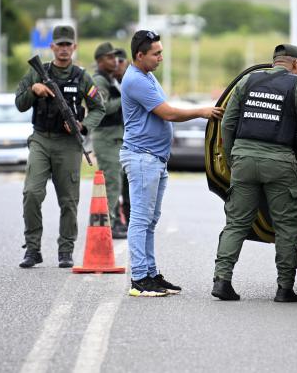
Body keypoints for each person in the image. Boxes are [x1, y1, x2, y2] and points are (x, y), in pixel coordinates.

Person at [212, 44, 297, 303]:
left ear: (274, 62)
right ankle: (284, 288)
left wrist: (232, 158)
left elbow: (228, 122)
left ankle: (221, 280)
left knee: (237, 222)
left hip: (243, 159)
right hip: (280, 161)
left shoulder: (247, 80)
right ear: (295, 64)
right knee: (286, 224)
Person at [120, 29, 223, 297]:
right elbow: (166, 112)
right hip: (143, 157)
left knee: (150, 220)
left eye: (161, 52)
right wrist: (201, 111)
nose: (161, 58)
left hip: (155, 158)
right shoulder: (135, 80)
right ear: (140, 55)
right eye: (156, 53)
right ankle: (139, 278)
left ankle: (151, 274)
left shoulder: (148, 76)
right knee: (141, 219)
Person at [16, 25, 105, 268]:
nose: (64, 49)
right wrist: (34, 91)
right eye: (60, 45)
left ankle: (66, 250)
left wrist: (83, 126)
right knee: (32, 193)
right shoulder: (38, 72)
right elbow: (20, 103)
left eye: (68, 45)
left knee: (68, 200)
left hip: (68, 145)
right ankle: (32, 249)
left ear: (74, 48)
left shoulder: (82, 76)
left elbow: (99, 107)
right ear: (52, 47)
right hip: (41, 139)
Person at [91, 42, 127, 239]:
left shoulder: (109, 79)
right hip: (106, 138)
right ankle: (110, 224)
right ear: (100, 61)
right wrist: (125, 96)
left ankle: (113, 221)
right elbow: (103, 107)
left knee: (116, 181)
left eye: (116, 57)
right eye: (109, 57)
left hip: (114, 137)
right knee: (112, 182)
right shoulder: (99, 81)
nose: (115, 61)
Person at [113, 48, 131, 227]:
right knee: (115, 180)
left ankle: (129, 218)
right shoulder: (107, 82)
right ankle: (117, 219)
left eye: (120, 61)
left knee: (128, 182)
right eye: (114, 61)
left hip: (131, 138)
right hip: (114, 138)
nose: (116, 65)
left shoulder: (132, 80)